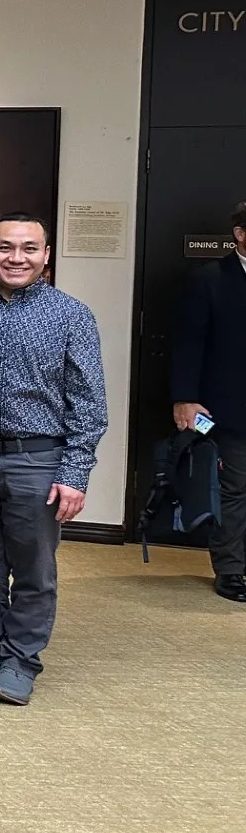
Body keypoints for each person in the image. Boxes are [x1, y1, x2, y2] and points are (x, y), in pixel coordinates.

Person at [0, 215, 107, 704]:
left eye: (29, 249)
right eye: (5, 248)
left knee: (34, 570)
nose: (16, 258)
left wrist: (75, 473)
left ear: (46, 255)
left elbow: (89, 402)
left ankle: (20, 660)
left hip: (38, 462)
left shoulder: (72, 315)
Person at [170, 200, 246, 603]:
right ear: (239, 233)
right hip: (229, 408)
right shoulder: (209, 279)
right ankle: (232, 569)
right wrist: (184, 398)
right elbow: (188, 344)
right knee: (234, 489)